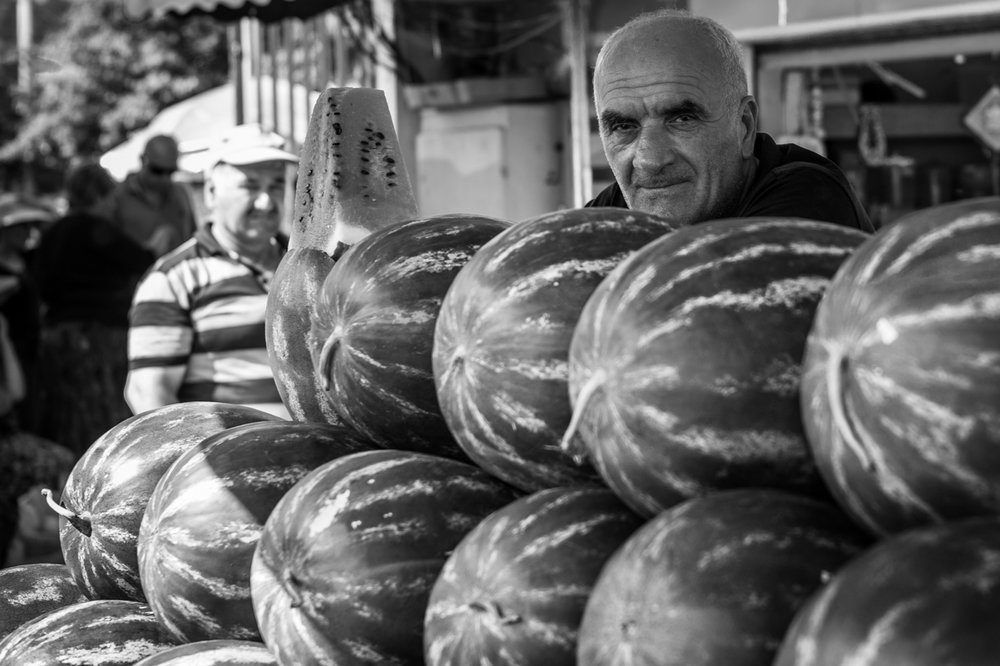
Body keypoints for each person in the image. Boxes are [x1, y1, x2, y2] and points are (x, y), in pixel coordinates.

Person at [587, 9, 874, 233]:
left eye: (682, 119)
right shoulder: (616, 208)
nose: (649, 160)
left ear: (744, 126)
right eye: (624, 126)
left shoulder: (809, 199)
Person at [125, 125, 296, 420]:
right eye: (250, 186)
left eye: (277, 185)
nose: (266, 201)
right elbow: (148, 393)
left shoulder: (304, 265)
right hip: (226, 461)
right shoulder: (172, 279)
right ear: (211, 192)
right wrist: (199, 462)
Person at [32, 163, 158, 456]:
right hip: (102, 337)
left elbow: (39, 286)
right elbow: (143, 262)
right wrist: (158, 242)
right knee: (104, 421)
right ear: (101, 195)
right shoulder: (99, 229)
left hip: (59, 337)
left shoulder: (52, 233)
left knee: (68, 415)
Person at [111, 134, 198, 256]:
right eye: (157, 171)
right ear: (142, 160)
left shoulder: (181, 193)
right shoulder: (118, 198)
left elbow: (194, 236)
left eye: (170, 171)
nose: (164, 178)